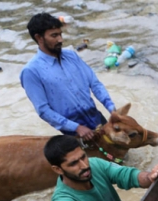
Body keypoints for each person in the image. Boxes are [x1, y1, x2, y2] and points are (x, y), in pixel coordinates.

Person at [21, 13, 116, 141]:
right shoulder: (31, 71)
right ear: (39, 38)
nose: (60, 40)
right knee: (92, 161)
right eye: (54, 35)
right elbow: (43, 110)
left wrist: (112, 109)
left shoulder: (72, 56)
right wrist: (76, 128)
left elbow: (95, 83)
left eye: (60, 34)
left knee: (120, 155)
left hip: (97, 118)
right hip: (74, 133)